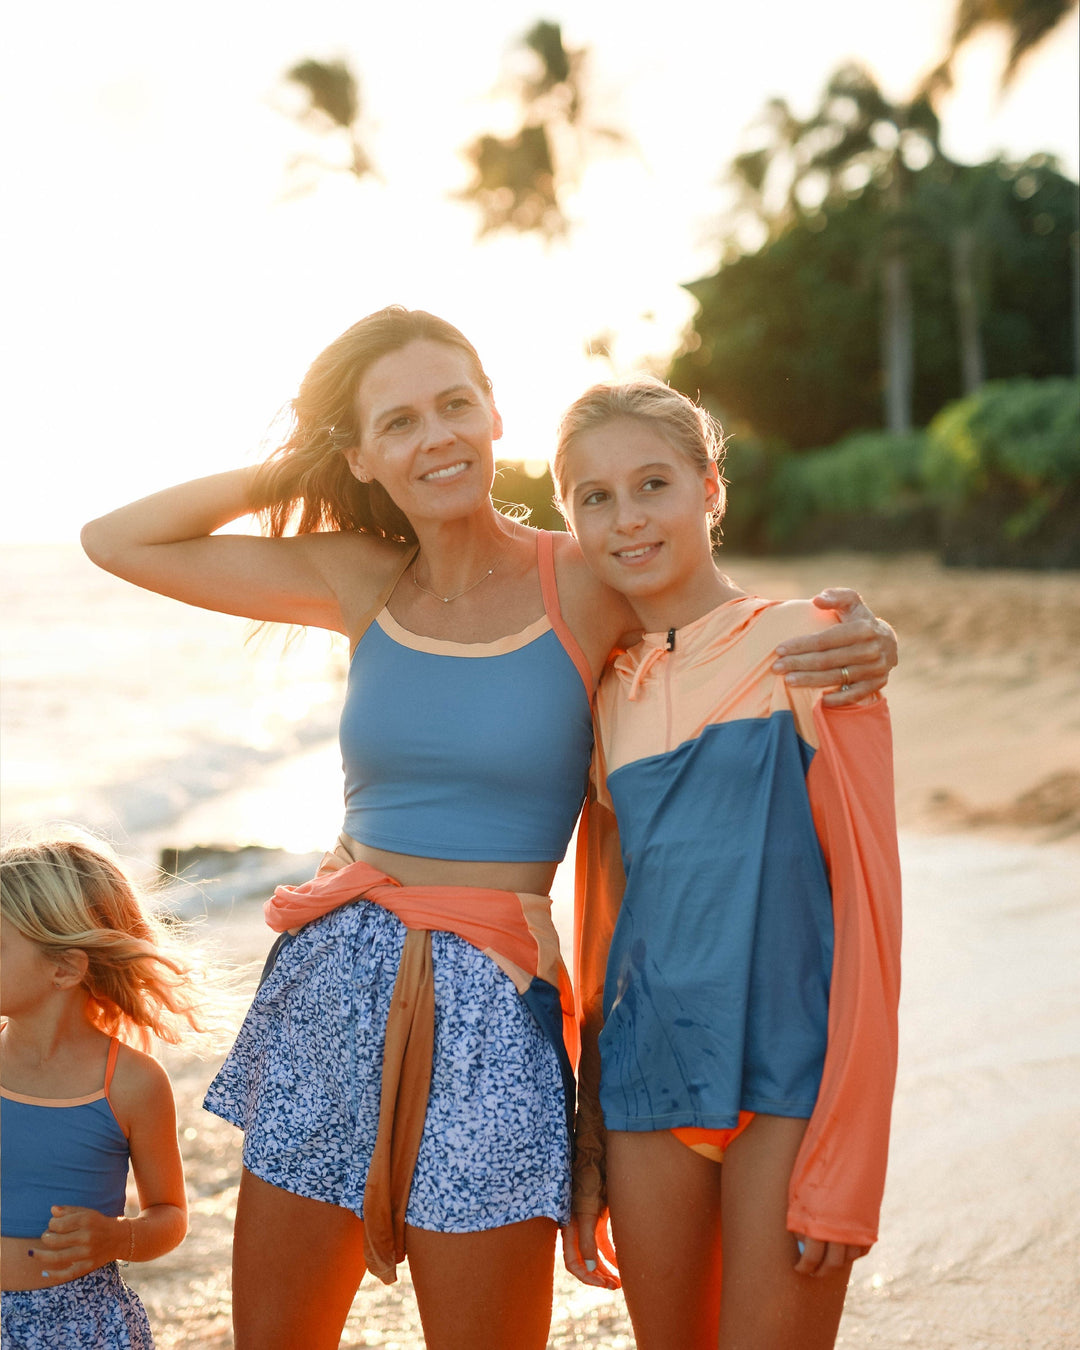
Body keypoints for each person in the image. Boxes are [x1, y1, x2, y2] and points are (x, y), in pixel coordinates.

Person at [80, 306, 898, 1350]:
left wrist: (861, 639)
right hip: (331, 984)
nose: (439, 438)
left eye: (456, 405)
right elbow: (117, 540)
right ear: (364, 454)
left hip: (493, 1000)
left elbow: (710, 621)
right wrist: (304, 471)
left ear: (495, 413)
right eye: (402, 422)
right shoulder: (361, 576)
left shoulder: (586, 573)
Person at [553, 381, 902, 1350]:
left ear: (710, 489)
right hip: (646, 1080)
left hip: (787, 1077)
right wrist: (587, 1145)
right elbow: (602, 931)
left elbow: (873, 908)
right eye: (595, 497)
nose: (627, 519)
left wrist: (852, 1154)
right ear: (570, 519)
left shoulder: (813, 645)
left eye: (653, 484)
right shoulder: (602, 694)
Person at [0, 831, 207, 1349]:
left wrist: (119, 1237)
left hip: (82, 1327)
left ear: (64, 967)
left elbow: (170, 1216)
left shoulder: (132, 1083)